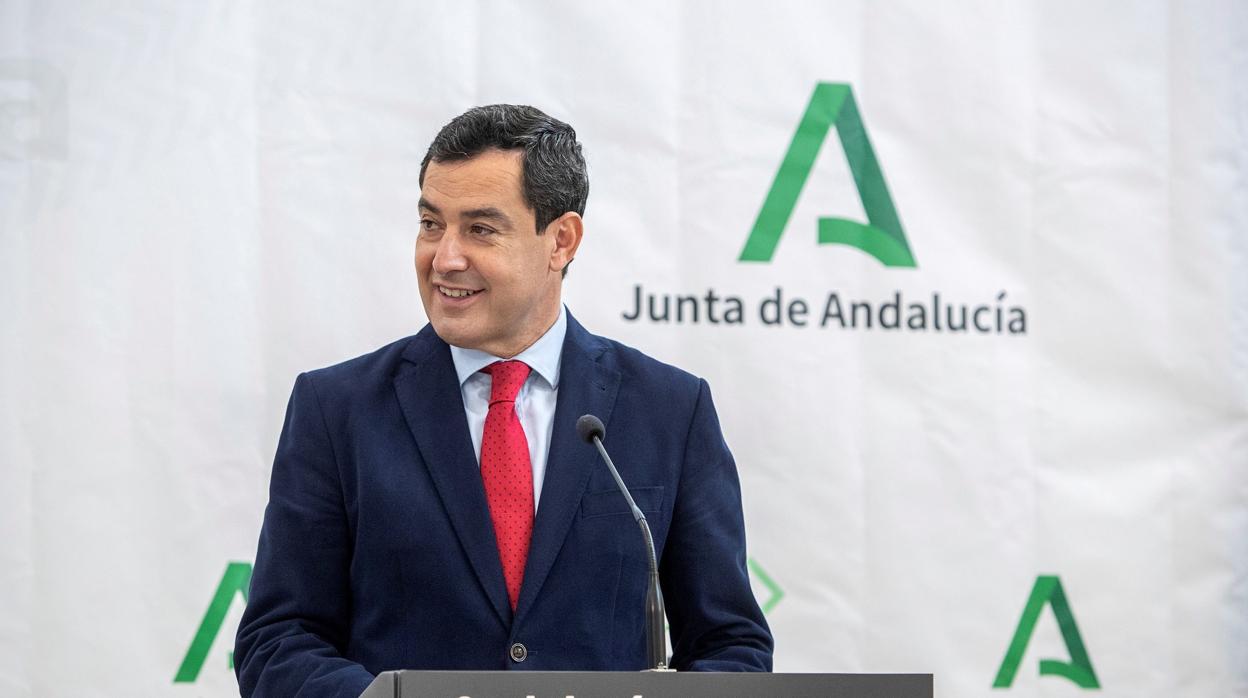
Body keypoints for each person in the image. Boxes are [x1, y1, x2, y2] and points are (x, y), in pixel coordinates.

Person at [234, 104, 773, 697]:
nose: (444, 258)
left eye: (480, 229)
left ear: (560, 241)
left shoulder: (671, 410)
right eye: (431, 223)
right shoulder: (335, 409)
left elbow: (730, 647)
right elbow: (277, 640)